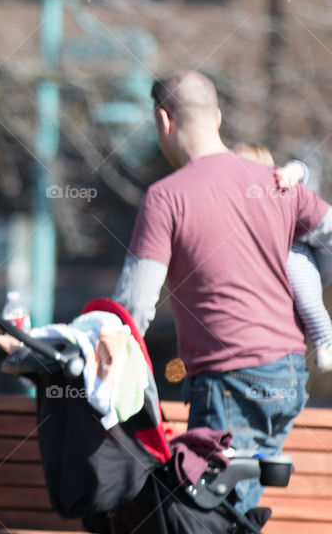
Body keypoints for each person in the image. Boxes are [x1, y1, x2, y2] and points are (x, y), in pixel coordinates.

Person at [111, 70, 332, 514]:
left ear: (163, 120)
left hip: (229, 379)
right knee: (233, 509)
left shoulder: (166, 197)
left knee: (211, 515)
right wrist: (306, 282)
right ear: (216, 115)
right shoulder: (277, 182)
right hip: (288, 372)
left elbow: (134, 306)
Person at [232, 143, 332, 372]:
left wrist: (293, 172)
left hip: (295, 249)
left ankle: (325, 341)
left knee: (309, 301)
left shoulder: (279, 184)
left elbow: (300, 171)